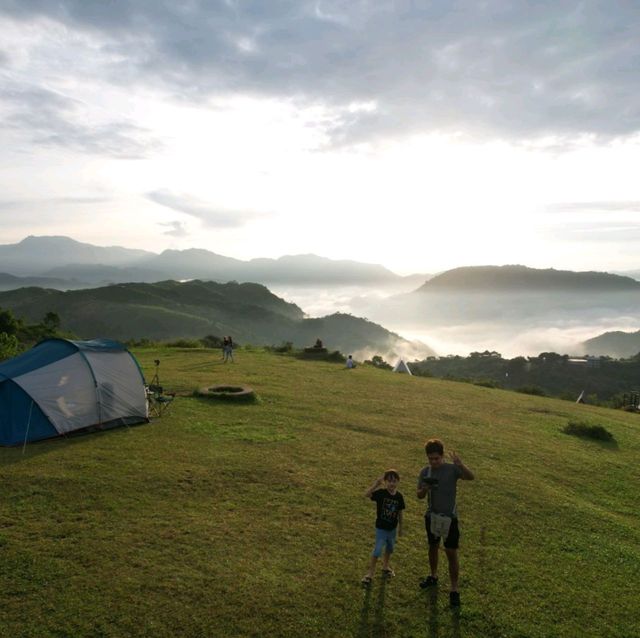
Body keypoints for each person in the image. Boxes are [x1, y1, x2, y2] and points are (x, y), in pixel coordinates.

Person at [417, 439, 474, 607]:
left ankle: (454, 589)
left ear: (442, 456)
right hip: (432, 517)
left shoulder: (451, 469)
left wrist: (461, 465)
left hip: (450, 518)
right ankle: (433, 576)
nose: (433, 462)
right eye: (430, 459)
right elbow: (419, 495)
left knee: (451, 553)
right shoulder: (425, 472)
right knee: (433, 547)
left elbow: (471, 477)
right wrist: (425, 489)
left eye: (436, 458)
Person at [361, 469, 405, 585]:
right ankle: (370, 574)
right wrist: (376, 484)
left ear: (398, 482)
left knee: (390, 549)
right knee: (377, 551)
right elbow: (366, 494)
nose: (392, 483)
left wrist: (400, 528)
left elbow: (400, 512)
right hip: (381, 529)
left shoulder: (399, 497)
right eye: (389, 481)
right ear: (385, 482)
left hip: (392, 530)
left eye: (394, 481)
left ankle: (385, 567)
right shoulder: (381, 493)